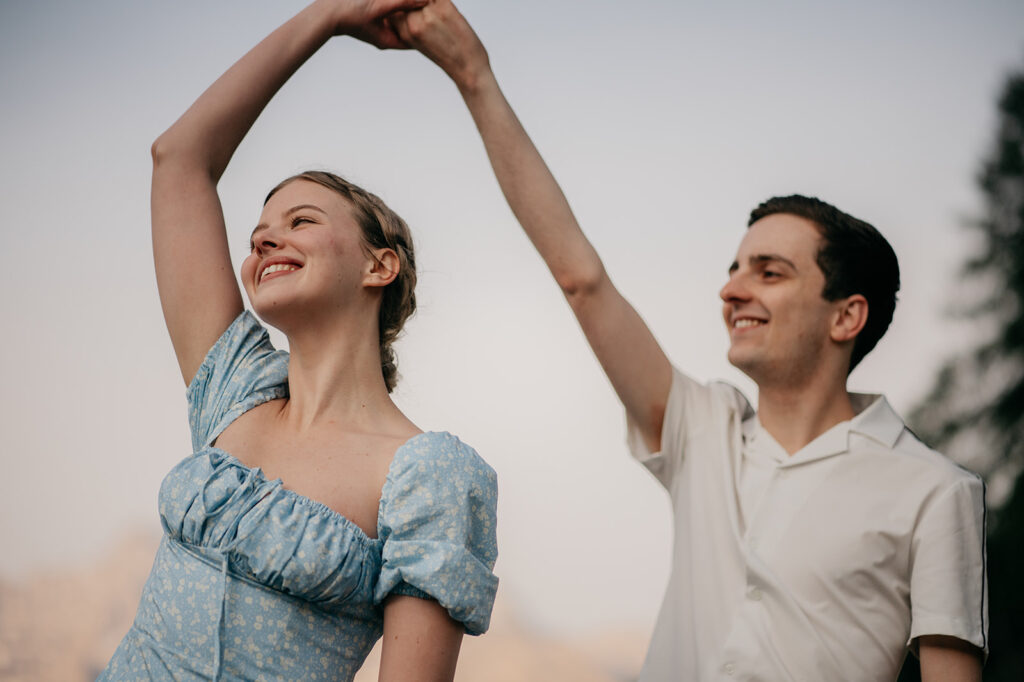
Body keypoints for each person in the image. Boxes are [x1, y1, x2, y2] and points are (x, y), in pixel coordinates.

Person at [388, 2, 987, 680]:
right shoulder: (704, 431)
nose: (731, 290)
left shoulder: (935, 492)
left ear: (846, 317)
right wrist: (474, 76)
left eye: (770, 273)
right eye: (735, 269)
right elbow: (581, 279)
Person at [99, 1, 498, 680]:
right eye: (258, 233)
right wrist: (330, 15)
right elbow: (179, 159)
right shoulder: (234, 388)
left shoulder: (427, 478)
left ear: (379, 266)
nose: (264, 239)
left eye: (301, 221)